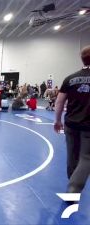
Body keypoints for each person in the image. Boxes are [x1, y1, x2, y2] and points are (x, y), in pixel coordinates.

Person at [54, 45, 90, 194]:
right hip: (88, 126)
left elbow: (59, 101)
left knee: (72, 155)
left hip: (71, 123)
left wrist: (57, 120)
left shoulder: (70, 78)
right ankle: (73, 188)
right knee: (86, 157)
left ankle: (72, 180)